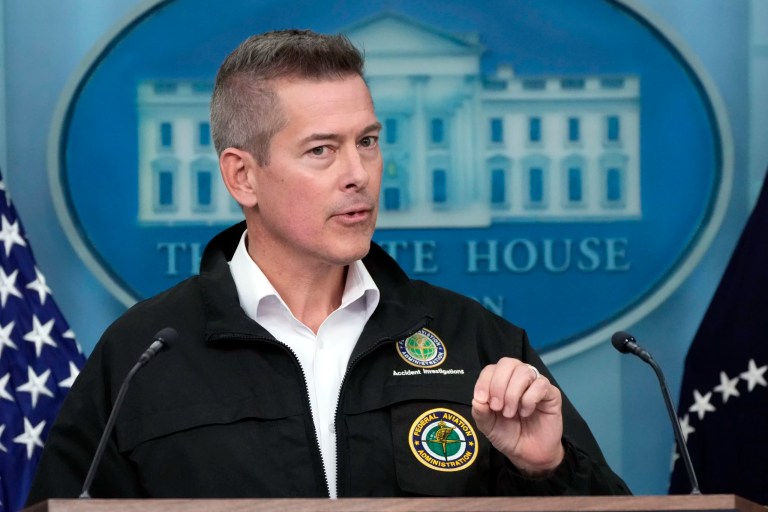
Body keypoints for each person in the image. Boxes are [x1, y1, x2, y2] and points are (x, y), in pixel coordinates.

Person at [27, 29, 630, 502]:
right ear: (243, 175)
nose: (359, 174)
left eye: (368, 141)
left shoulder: (475, 340)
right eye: (322, 150)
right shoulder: (141, 356)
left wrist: (548, 469)